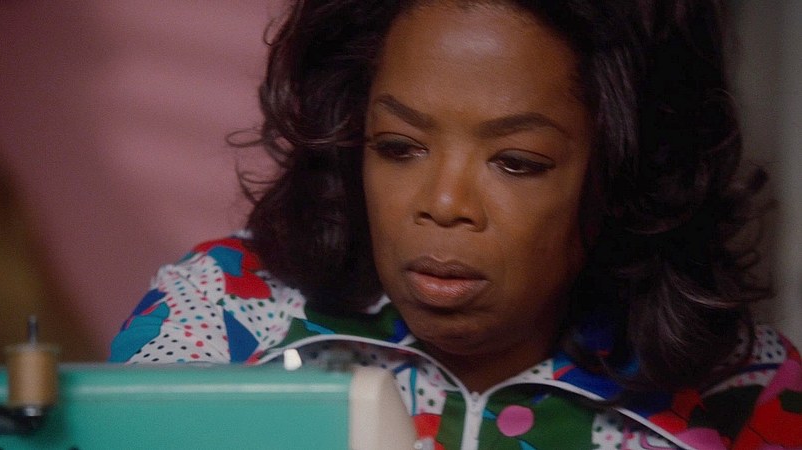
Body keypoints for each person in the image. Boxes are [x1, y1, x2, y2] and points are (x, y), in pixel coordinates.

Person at [109, 0, 802, 448]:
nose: (443, 203)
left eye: (516, 162)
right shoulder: (221, 314)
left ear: (623, 176)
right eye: (398, 147)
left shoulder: (749, 397)